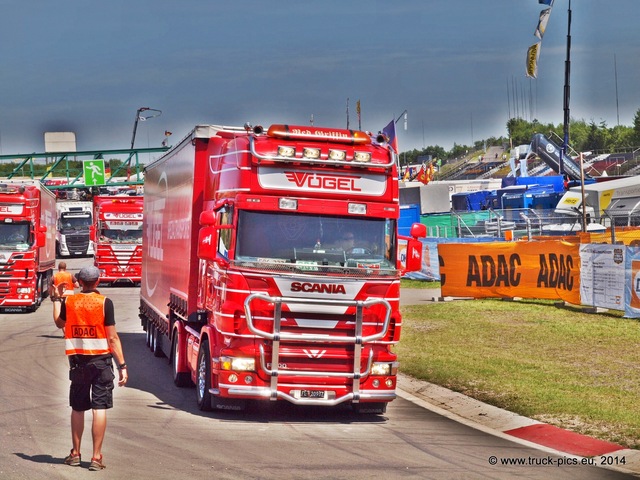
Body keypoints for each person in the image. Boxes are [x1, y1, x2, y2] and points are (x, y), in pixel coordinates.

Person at [52, 266, 128, 471]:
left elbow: (59, 323)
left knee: (77, 408)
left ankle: (75, 454)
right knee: (99, 408)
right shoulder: (105, 303)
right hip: (101, 361)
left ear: (79, 282)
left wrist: (56, 299)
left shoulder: (70, 301)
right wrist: (122, 365)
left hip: (78, 362)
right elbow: (112, 338)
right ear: (97, 282)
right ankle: (96, 458)